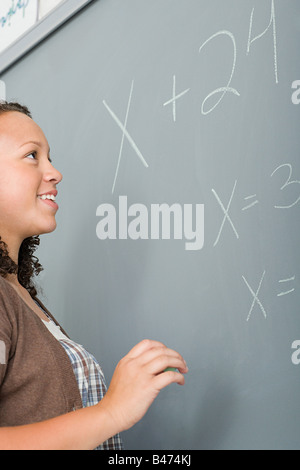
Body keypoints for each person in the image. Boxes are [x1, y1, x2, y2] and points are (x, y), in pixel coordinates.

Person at [0, 101, 188, 450]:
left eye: (50, 158)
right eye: (32, 156)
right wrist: (112, 411)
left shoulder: (22, 296)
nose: (54, 172)